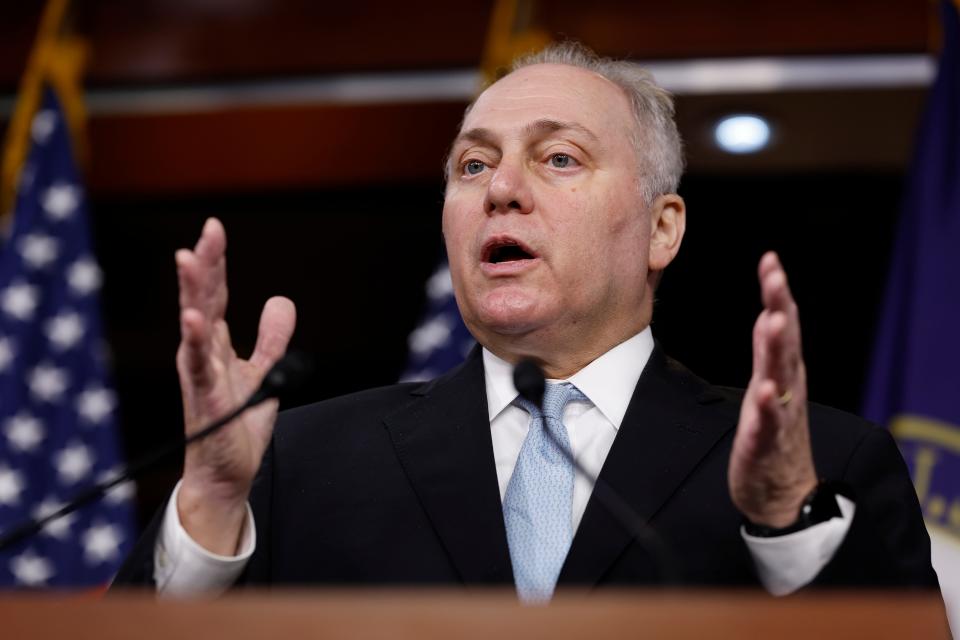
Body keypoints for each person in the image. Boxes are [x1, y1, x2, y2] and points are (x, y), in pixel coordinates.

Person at [115, 43, 938, 598]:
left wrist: (788, 520)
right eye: (473, 164)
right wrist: (214, 507)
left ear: (662, 228)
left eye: (559, 158)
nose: (500, 189)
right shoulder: (295, 463)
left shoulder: (824, 466)